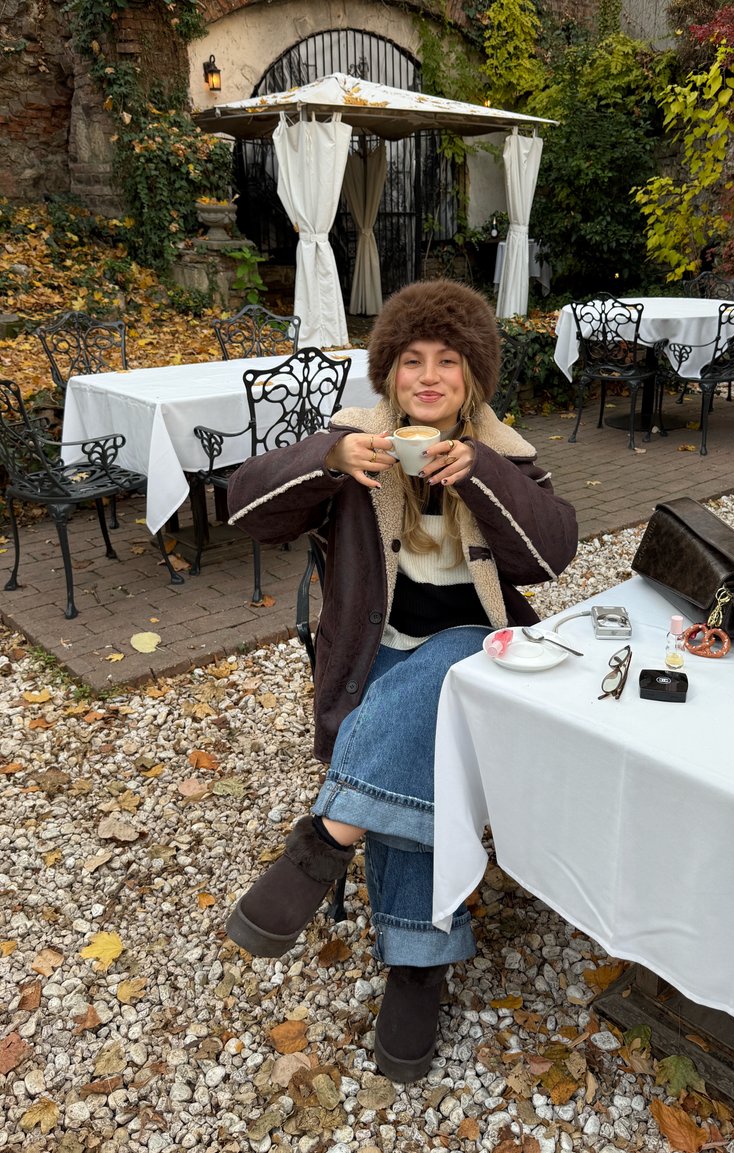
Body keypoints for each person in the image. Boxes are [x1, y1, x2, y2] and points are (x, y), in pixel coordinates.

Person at [225, 279, 579, 1082]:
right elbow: (245, 509)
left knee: (450, 671)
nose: (428, 375)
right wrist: (327, 463)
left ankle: (325, 843)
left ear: (472, 378)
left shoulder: (506, 452)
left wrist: (479, 474)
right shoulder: (354, 441)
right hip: (371, 653)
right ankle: (419, 964)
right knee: (414, 729)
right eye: (411, 360)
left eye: (447, 361)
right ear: (388, 376)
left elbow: (553, 553)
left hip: (473, 649)